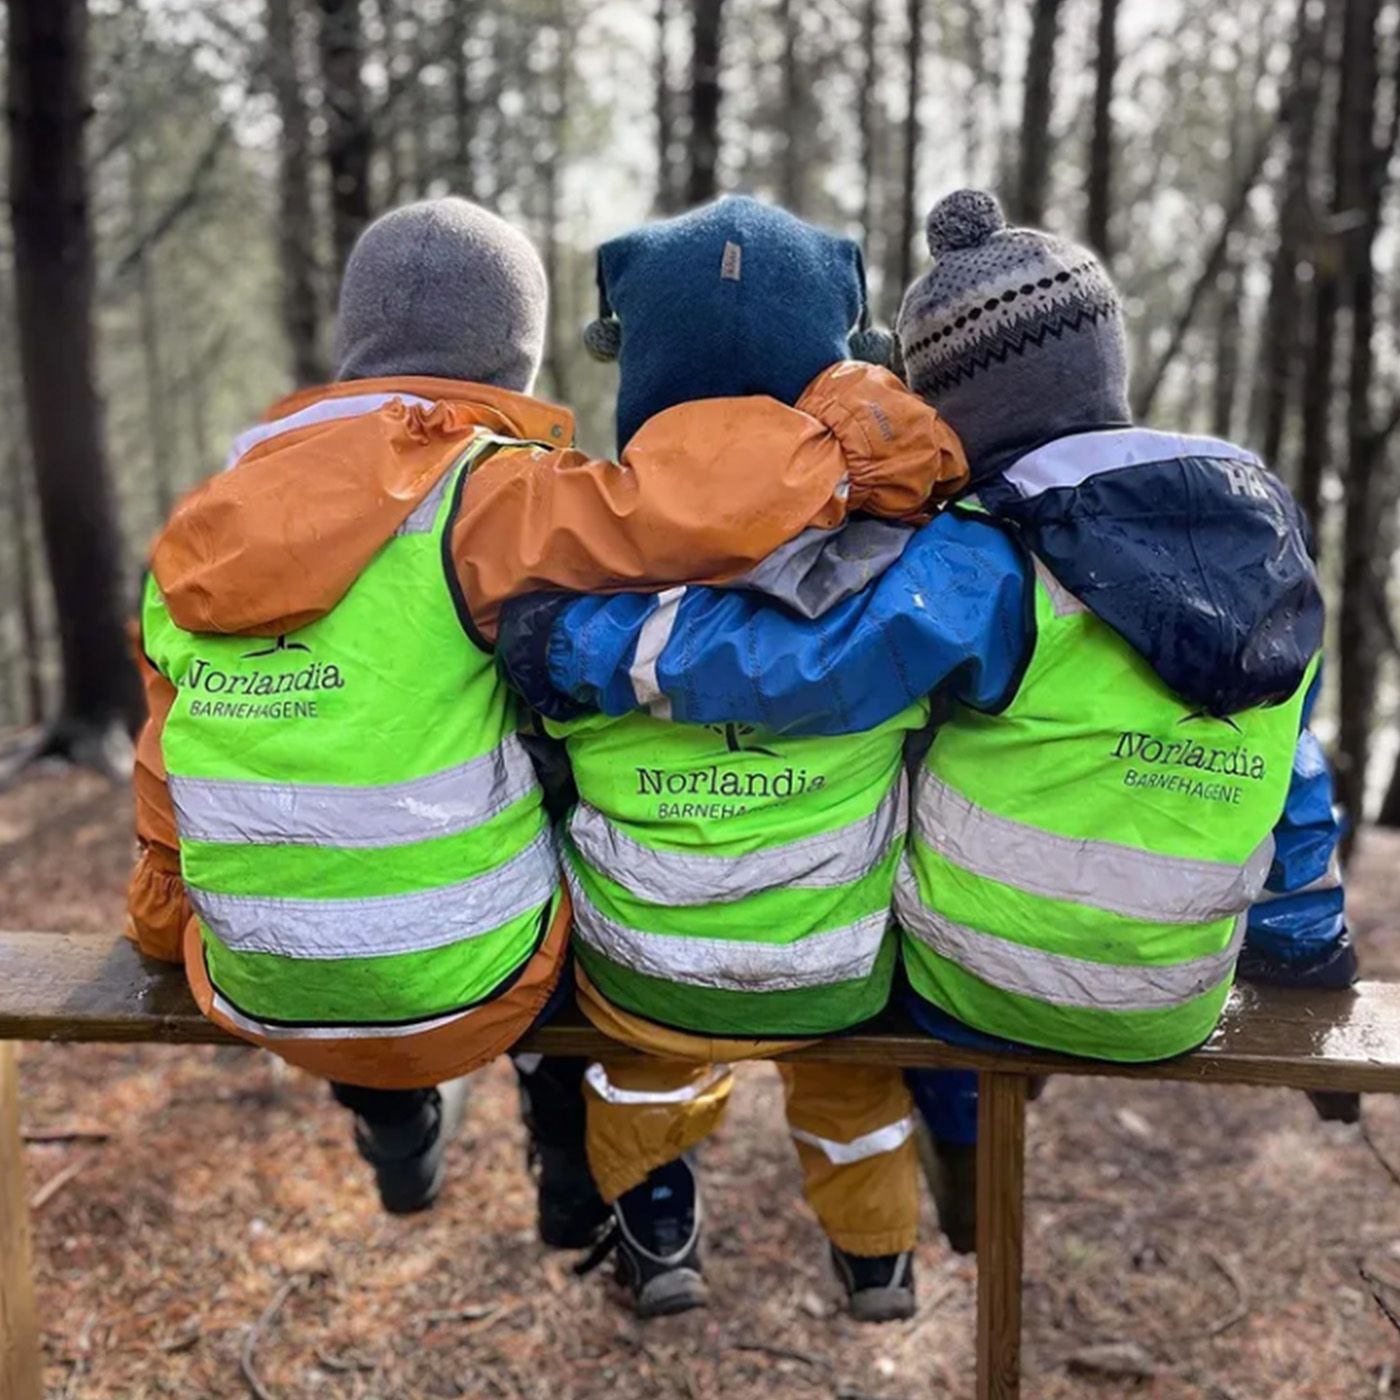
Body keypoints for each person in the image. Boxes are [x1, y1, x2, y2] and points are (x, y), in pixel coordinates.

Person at [499, 190, 1354, 1078]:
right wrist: (1306, 938)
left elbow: (815, 667)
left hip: (973, 985)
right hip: (1176, 1002)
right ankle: (953, 1161)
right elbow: (1295, 757)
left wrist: (574, 646)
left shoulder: (989, 552)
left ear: (960, 410)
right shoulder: (1264, 537)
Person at [497, 196, 970, 1322]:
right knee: (852, 1065)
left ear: (640, 371)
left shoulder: (571, 543)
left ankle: (657, 1228)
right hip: (838, 961)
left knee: (637, 1052)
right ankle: (874, 1257)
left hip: (643, 957)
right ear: (827, 362)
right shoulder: (899, 544)